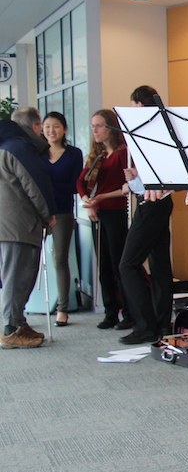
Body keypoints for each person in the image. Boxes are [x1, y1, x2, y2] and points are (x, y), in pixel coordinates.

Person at [117, 86, 174, 345]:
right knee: (160, 266)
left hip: (153, 203)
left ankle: (145, 324)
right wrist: (137, 180)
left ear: (140, 106)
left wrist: (137, 181)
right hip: (161, 202)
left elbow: (158, 179)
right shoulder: (161, 131)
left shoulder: (149, 133)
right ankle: (162, 324)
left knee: (128, 264)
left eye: (134, 106)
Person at [0, 108, 55, 349]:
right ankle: (11, 329)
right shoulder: (20, 148)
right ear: (35, 127)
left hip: (9, 223)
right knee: (17, 277)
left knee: (13, 276)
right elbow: (35, 184)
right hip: (17, 224)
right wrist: (48, 213)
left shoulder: (7, 144)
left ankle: (18, 323)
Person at [76, 110, 131, 330]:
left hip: (117, 212)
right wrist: (88, 201)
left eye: (99, 126)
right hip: (99, 212)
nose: (95, 131)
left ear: (111, 127)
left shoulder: (122, 154)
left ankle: (128, 312)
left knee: (120, 264)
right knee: (104, 265)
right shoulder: (97, 155)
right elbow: (80, 182)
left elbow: (126, 189)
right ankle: (110, 312)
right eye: (93, 126)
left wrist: (101, 198)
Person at [42, 111, 83, 326]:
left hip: (62, 211)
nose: (51, 131)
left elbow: (74, 185)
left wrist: (47, 188)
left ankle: (62, 308)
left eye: (56, 126)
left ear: (64, 129)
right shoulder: (37, 154)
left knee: (60, 259)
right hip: (38, 211)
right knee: (30, 260)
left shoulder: (73, 154)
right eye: (47, 126)